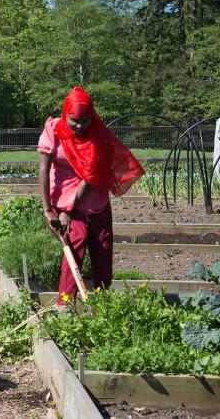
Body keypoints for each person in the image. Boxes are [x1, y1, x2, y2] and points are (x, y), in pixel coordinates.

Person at [38, 87, 145, 305]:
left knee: (102, 252)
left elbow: (91, 176)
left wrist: (70, 210)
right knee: (73, 252)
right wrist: (48, 210)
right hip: (64, 199)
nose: (79, 126)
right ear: (65, 113)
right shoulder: (53, 129)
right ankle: (64, 307)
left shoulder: (99, 135)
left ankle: (102, 306)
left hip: (94, 200)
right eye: (74, 120)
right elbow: (43, 169)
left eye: (84, 120)